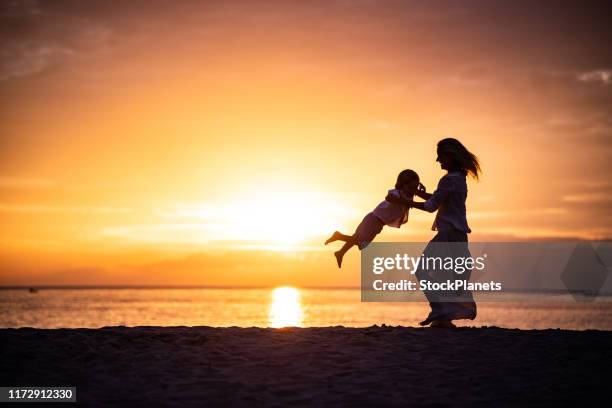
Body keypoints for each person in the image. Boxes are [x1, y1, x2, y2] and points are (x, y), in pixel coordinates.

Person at [387, 138, 480, 328]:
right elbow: (440, 199)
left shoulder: (448, 179)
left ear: (451, 156)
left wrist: (402, 202)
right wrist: (420, 194)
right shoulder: (459, 178)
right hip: (458, 235)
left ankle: (440, 311)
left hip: (448, 235)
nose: (438, 160)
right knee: (448, 276)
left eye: (441, 156)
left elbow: (431, 207)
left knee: (424, 270)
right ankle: (443, 318)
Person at [325, 169, 420, 268]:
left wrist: (418, 192)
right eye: (410, 187)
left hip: (376, 221)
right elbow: (389, 197)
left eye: (415, 187)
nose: (413, 190)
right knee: (361, 243)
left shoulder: (408, 197)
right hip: (374, 220)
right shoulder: (397, 193)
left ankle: (341, 252)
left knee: (356, 238)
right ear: (402, 185)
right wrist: (402, 201)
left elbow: (409, 202)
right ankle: (339, 236)